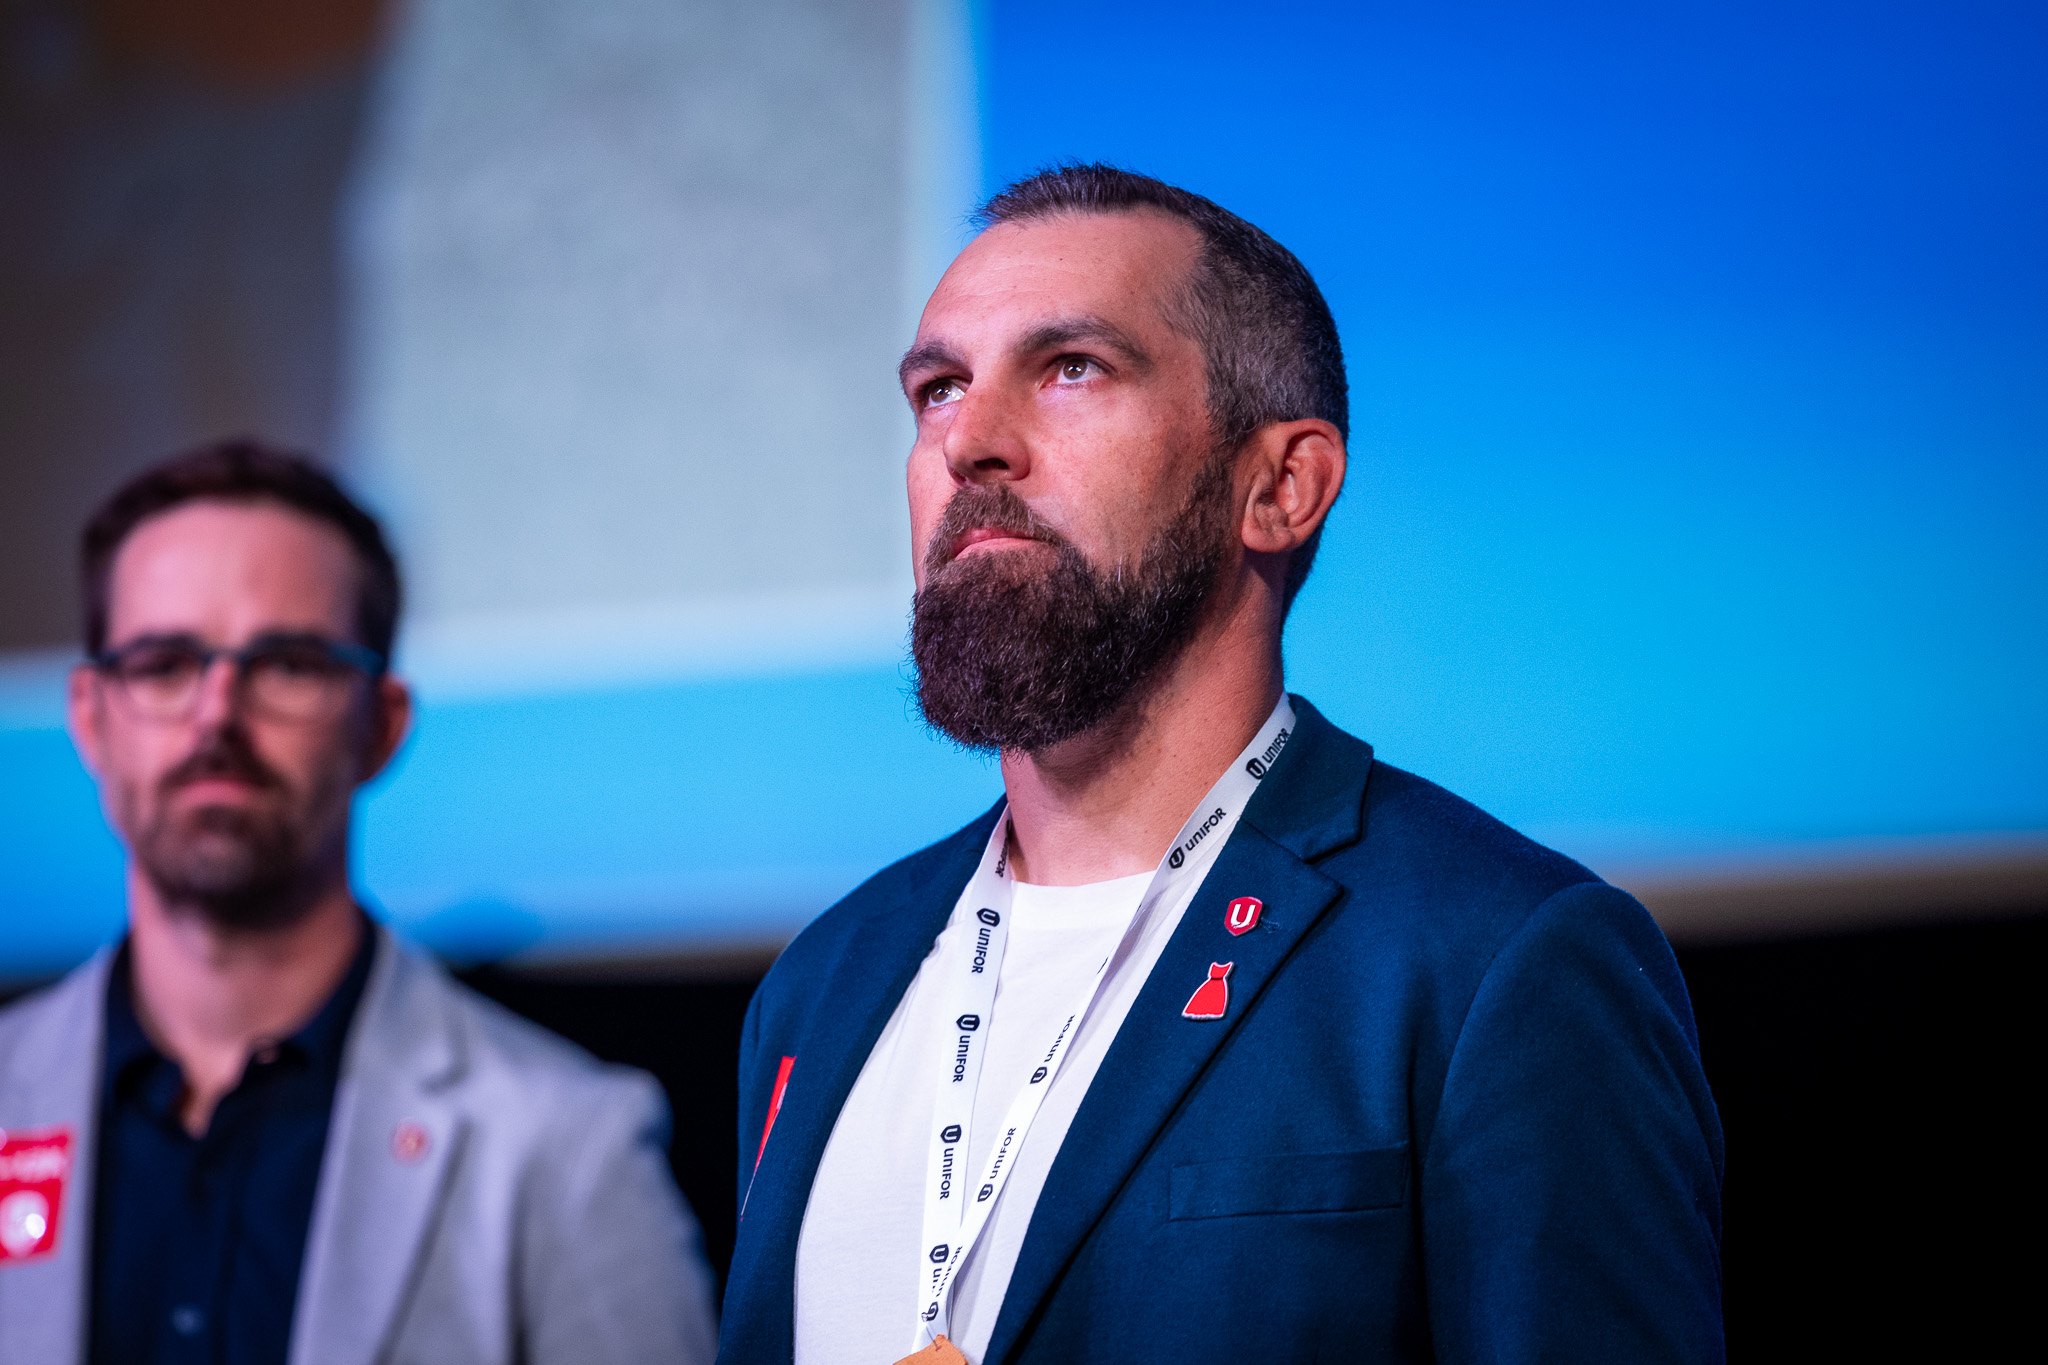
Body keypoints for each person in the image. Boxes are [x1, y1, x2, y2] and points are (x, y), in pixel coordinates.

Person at [719, 167, 1724, 1365]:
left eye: (1070, 369)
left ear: (1279, 485)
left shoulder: (1493, 959)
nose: (970, 443)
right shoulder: (820, 983)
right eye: (938, 390)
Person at [0, 441, 719, 1364]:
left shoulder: (564, 1145)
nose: (216, 714)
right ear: (91, 715)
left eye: (287, 663)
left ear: (380, 725)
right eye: (165, 662)